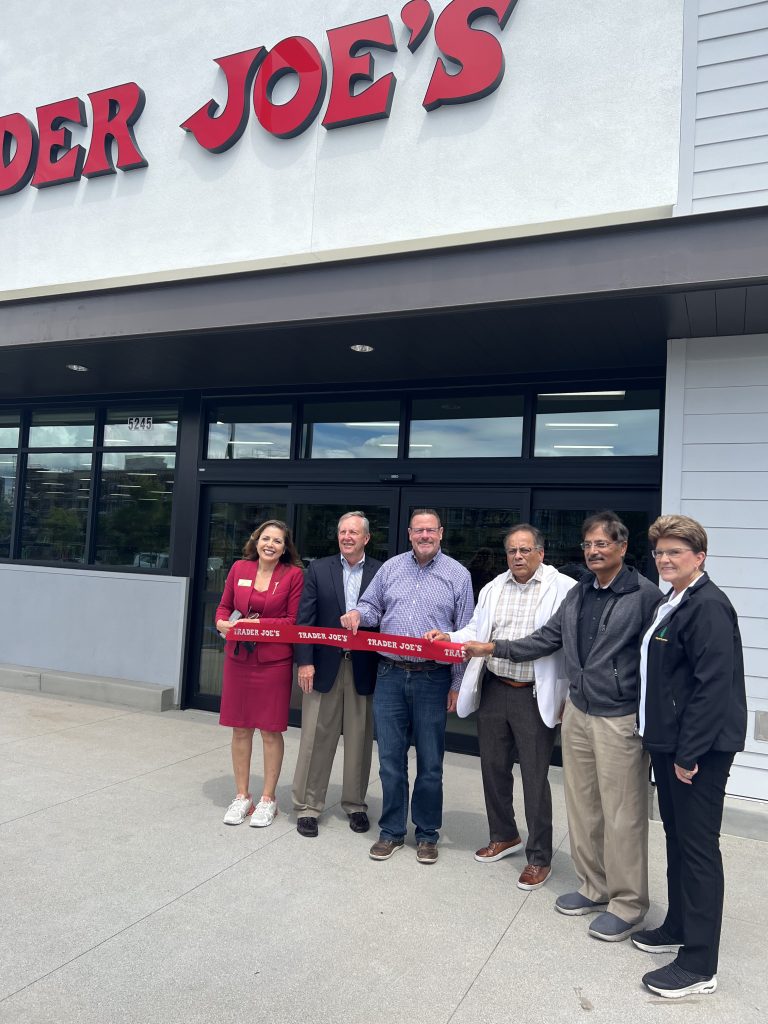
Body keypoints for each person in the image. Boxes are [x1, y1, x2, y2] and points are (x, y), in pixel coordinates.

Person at [463, 511, 660, 940]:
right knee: (584, 805)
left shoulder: (644, 595)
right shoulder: (582, 592)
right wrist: (493, 647)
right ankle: (593, 886)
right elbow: (545, 639)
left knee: (622, 813)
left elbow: (656, 663)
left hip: (618, 716)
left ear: (623, 548)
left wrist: (653, 717)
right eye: (588, 544)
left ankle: (627, 904)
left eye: (602, 544)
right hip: (580, 712)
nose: (593, 551)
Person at [632, 515, 747, 999]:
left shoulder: (709, 606)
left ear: (699, 556)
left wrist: (689, 752)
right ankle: (677, 926)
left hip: (696, 751)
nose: (664, 559)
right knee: (678, 840)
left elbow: (712, 686)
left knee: (698, 851)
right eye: (659, 552)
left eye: (675, 552)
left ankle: (700, 965)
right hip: (670, 744)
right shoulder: (673, 601)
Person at [426, 524, 576, 890]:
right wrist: (450, 636)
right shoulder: (494, 587)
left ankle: (539, 856)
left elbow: (570, 647)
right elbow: (477, 629)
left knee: (535, 777)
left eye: (525, 550)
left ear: (541, 552)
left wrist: (568, 697)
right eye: (512, 551)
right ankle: (504, 834)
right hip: (495, 688)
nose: (518, 557)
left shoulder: (564, 589)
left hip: (533, 693)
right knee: (493, 768)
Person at [340, 509, 473, 864]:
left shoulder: (458, 575)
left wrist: (457, 684)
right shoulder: (390, 568)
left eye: (431, 530)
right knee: (390, 760)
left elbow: (465, 634)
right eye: (418, 530)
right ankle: (392, 831)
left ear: (441, 533)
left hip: (433, 678)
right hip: (391, 675)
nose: (424, 535)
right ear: (409, 534)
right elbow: (371, 606)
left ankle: (427, 834)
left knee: (431, 762)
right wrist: (357, 615)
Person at [291, 512, 382, 838]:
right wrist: (304, 661)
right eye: (342, 531)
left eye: (353, 532)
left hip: (363, 667)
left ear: (366, 538)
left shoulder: (380, 572)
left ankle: (355, 805)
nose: (347, 537)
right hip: (324, 666)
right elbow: (305, 618)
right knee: (316, 738)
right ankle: (308, 807)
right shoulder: (318, 569)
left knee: (359, 740)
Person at [216, 519, 304, 828]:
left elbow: (291, 622)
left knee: (269, 730)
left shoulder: (293, 576)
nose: (270, 544)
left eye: (277, 541)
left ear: (284, 548)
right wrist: (221, 623)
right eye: (265, 538)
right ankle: (242, 796)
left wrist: (251, 626)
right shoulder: (239, 569)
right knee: (240, 728)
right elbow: (224, 608)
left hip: (273, 663)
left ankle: (268, 800)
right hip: (239, 659)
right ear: (256, 541)